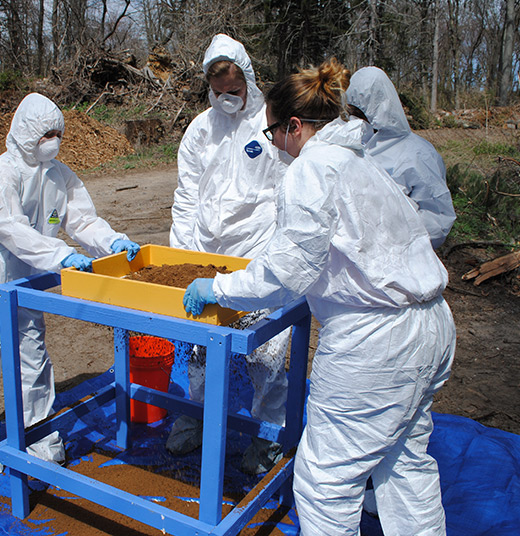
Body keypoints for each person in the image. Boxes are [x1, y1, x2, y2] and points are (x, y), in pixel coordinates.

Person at [182, 59, 456, 535]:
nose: (273, 146)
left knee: (325, 480)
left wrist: (219, 287)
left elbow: (285, 273)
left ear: (293, 126)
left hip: (375, 343)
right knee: (404, 463)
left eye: (272, 134)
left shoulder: (314, 169)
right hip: (430, 325)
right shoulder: (361, 163)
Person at [0, 92, 140, 474]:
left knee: (32, 358)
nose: (52, 140)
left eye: (57, 133)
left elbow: (83, 220)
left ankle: (40, 434)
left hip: (27, 278)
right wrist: (60, 256)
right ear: (25, 133)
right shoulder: (2, 171)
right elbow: (9, 228)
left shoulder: (59, 174)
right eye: (44, 134)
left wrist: (112, 241)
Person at [167, 33, 291, 475]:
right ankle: (197, 415)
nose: (227, 100)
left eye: (234, 92)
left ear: (249, 83)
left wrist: (277, 254)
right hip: (206, 252)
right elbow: (186, 197)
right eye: (219, 93)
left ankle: (267, 436)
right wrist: (181, 257)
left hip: (257, 251)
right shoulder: (200, 130)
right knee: (200, 347)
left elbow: (286, 189)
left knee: (268, 352)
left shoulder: (269, 122)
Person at [346, 66, 456, 249]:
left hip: (403, 260)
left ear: (378, 109)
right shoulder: (352, 145)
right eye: (351, 112)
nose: (354, 120)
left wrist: (395, 240)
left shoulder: (418, 153)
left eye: (359, 113)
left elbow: (438, 219)